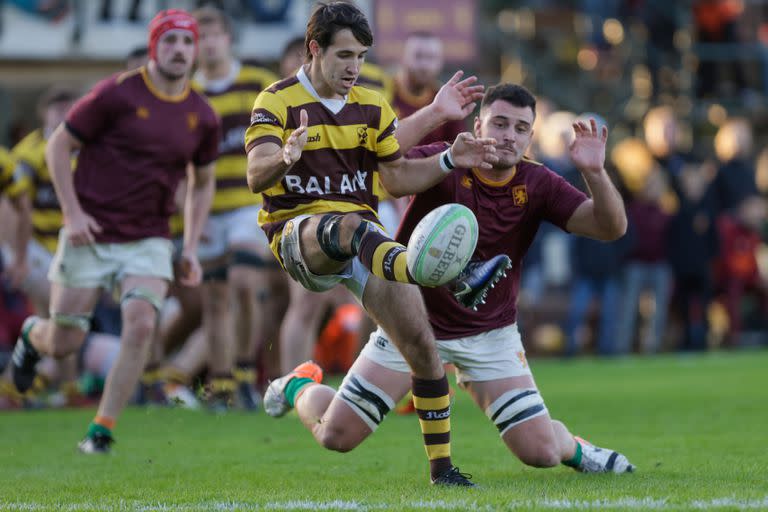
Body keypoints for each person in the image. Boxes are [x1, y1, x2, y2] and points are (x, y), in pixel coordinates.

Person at [264, 83, 635, 479]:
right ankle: (298, 386)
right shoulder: (450, 159)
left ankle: (576, 449)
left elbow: (610, 227)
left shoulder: (538, 182)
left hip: (489, 333)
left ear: (530, 135)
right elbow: (392, 180)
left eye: (521, 128)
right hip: (412, 324)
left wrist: (594, 172)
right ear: (479, 125)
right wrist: (445, 156)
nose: (508, 135)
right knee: (335, 436)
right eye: (500, 123)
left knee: (541, 452)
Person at [246, 2, 504, 486]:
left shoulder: (371, 105)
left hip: (363, 239)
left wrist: (450, 159)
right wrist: (285, 156)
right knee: (347, 225)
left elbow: (396, 178)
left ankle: (441, 469)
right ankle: (454, 277)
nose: (354, 68)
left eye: (362, 56)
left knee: (421, 350)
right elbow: (255, 173)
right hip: (299, 237)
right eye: (344, 55)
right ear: (314, 49)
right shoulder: (275, 101)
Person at [10, 9, 220, 453]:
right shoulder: (117, 94)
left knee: (142, 324)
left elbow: (202, 184)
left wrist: (191, 245)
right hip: (91, 232)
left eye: (187, 42)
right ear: (153, 47)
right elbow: (58, 144)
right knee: (64, 340)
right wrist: (72, 214)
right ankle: (33, 336)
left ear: (195, 50)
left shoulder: (202, 114)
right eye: (170, 42)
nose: (180, 50)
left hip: (148, 238)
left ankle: (101, 430)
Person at [189, 5, 282, 410]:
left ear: (228, 39)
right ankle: (223, 383)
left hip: (250, 203)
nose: (207, 44)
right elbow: (178, 164)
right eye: (199, 37)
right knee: (214, 299)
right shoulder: (187, 95)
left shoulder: (258, 84)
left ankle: (245, 370)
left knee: (245, 282)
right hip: (206, 209)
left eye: (213, 35)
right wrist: (191, 219)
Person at [392, 32, 466, 146]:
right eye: (418, 56)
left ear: (440, 62)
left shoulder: (447, 100)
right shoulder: (383, 92)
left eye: (431, 58)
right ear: (403, 58)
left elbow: (457, 152)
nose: (424, 65)